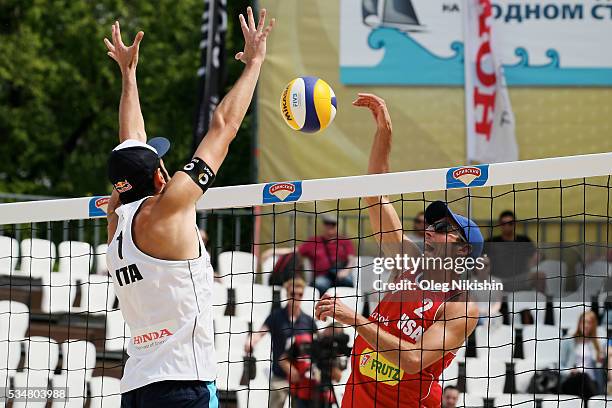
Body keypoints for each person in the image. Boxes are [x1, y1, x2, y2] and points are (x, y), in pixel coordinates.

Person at [103, 8, 274, 407]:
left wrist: (129, 77)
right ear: (162, 178)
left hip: (137, 387)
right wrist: (256, 63)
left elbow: (132, 143)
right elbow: (223, 127)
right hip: (184, 385)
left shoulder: (116, 222)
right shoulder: (169, 208)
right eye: (161, 164)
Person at [315, 94, 480, 407]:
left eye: (444, 229)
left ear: (463, 250)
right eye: (432, 225)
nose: (430, 231)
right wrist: (384, 132)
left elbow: (414, 360)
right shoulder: (408, 261)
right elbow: (374, 195)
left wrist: (353, 319)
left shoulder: (462, 305)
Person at [244, 278, 316, 408]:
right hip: (280, 376)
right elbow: (261, 332)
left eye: (300, 294)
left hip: (300, 378)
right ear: (286, 294)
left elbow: (316, 344)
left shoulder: (308, 321)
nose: (296, 297)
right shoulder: (276, 316)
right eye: (293, 294)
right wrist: (251, 341)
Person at [485, 210, 544, 293]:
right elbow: (480, 259)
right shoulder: (491, 242)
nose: (507, 226)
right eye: (503, 223)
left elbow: (537, 255)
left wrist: (533, 261)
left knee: (540, 276)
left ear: (515, 224)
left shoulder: (523, 240)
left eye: (510, 223)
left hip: (519, 279)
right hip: (497, 280)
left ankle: (541, 304)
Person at [299, 213, 357, 295]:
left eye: (333, 224)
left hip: (341, 274)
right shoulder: (313, 241)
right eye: (327, 223)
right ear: (323, 225)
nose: (329, 226)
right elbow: (295, 250)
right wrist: (274, 251)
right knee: (319, 284)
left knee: (347, 282)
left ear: (336, 226)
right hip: (323, 276)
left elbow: (352, 259)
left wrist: (346, 271)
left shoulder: (345, 241)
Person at [559, 310, 606, 399]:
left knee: (585, 378)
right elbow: (559, 366)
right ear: (579, 323)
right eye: (583, 322)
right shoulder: (568, 341)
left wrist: (600, 360)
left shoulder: (598, 344)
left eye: (589, 323)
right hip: (572, 380)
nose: (586, 325)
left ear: (593, 325)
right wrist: (570, 371)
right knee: (582, 377)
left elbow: (600, 369)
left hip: (591, 383)